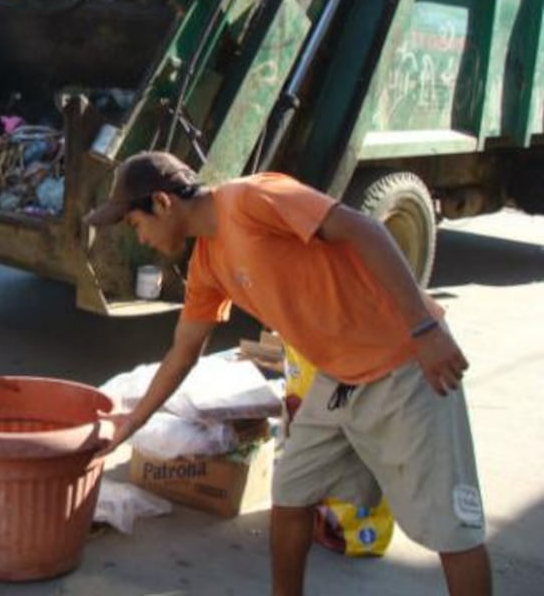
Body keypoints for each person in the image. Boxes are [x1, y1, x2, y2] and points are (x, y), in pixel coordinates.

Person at [85, 152, 491, 596]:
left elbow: (365, 229)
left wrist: (425, 328)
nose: (139, 238)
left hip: (404, 362)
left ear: (162, 203)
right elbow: (183, 352)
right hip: (338, 380)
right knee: (292, 491)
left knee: (453, 529)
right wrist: (130, 424)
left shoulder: (251, 198)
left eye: (135, 224)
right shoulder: (207, 264)